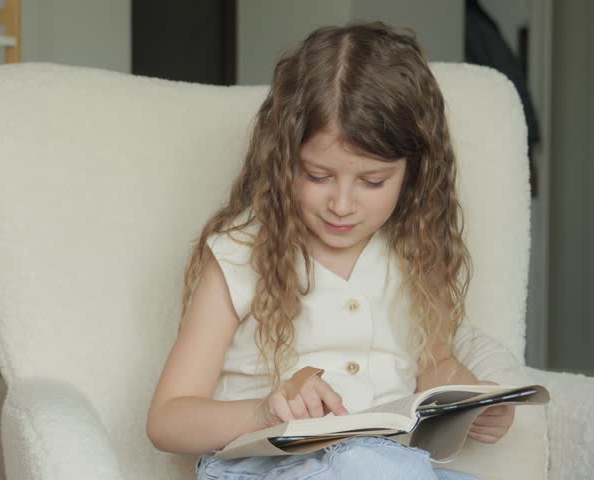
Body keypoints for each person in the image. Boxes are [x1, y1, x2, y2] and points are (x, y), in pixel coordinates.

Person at [146, 22, 515, 480]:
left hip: (387, 462)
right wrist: (265, 411)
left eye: (372, 181)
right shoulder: (241, 254)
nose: (341, 204)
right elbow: (167, 420)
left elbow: (434, 363)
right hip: (262, 468)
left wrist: (474, 403)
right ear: (283, 160)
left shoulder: (416, 249)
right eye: (318, 176)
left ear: (414, 172)